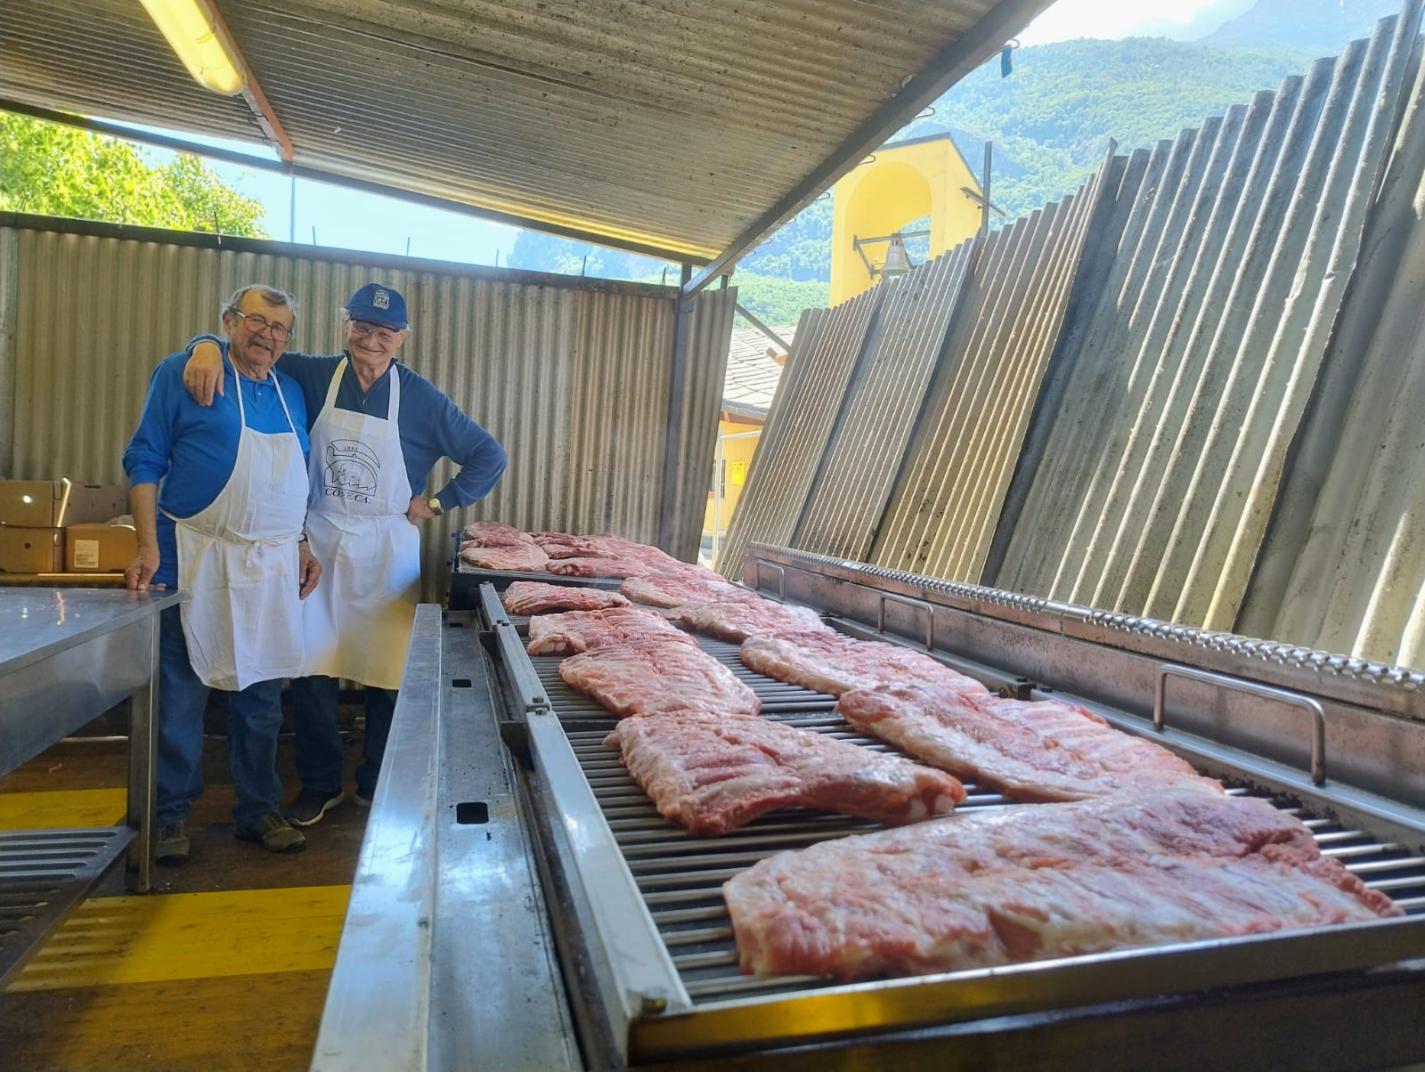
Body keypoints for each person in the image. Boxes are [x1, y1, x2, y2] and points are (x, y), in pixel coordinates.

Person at [182, 282, 507, 823]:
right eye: (361, 327)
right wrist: (205, 344)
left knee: (386, 672)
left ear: (402, 338)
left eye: (384, 332)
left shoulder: (420, 398)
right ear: (345, 326)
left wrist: (436, 502)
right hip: (319, 543)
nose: (370, 340)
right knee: (312, 665)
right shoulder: (312, 375)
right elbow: (253, 355)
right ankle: (319, 782)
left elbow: (488, 455)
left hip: (387, 547)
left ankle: (377, 781)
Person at [124, 284, 322, 863]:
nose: (267, 335)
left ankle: (258, 810)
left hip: (268, 564)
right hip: (192, 554)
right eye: (255, 321)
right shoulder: (186, 373)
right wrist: (144, 545)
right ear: (228, 321)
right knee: (180, 695)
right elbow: (144, 457)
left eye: (280, 328)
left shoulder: (289, 392)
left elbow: (292, 481)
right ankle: (166, 818)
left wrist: (303, 542)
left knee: (261, 696)